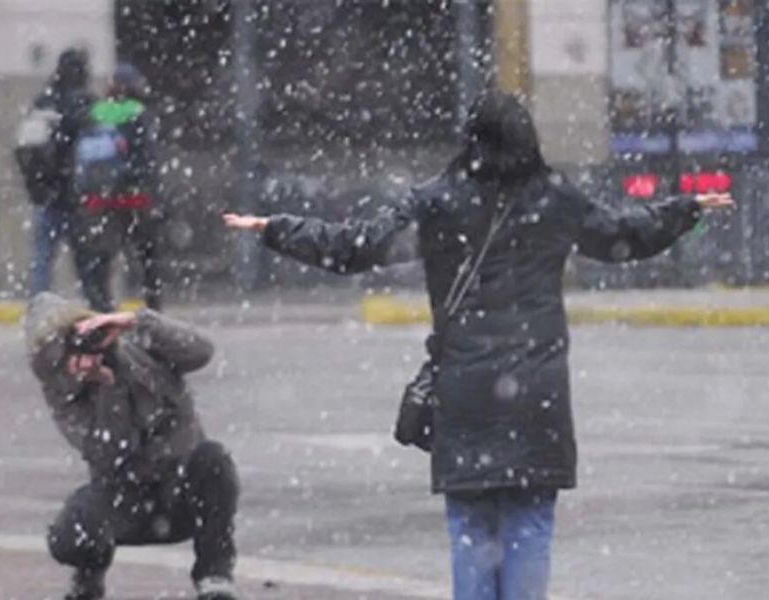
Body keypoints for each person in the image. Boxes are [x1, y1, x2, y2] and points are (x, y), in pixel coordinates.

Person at [223, 90, 734, 600]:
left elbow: (355, 246)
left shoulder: (436, 201)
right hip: (537, 390)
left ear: (470, 141)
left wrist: (277, 229)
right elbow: (623, 236)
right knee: (530, 523)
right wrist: (684, 209)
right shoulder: (556, 199)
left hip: (465, 390)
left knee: (470, 527)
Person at [24, 292, 239, 600]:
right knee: (71, 534)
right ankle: (88, 578)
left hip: (181, 493)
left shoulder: (144, 348)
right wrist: (108, 386)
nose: (78, 356)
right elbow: (112, 452)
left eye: (80, 339)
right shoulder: (64, 396)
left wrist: (137, 321)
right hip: (125, 500)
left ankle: (214, 578)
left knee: (214, 460)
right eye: (60, 356)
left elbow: (202, 351)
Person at [72, 62, 165, 313]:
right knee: (146, 253)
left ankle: (103, 307)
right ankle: (153, 307)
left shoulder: (94, 113)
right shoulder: (138, 111)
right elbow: (147, 156)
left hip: (100, 197)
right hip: (132, 194)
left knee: (102, 255)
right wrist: (152, 193)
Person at [17, 48, 95, 298]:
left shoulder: (44, 102)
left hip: (47, 194)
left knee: (42, 263)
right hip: (78, 197)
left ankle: (37, 314)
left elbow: (25, 147)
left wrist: (36, 186)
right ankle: (95, 319)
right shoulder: (88, 103)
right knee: (87, 267)